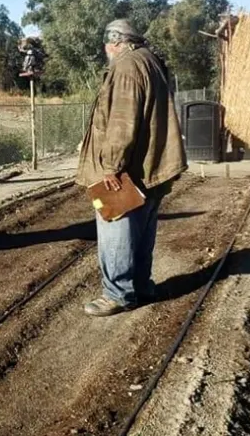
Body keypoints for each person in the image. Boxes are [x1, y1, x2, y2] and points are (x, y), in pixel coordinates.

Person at [76, 19, 187, 316]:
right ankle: (141, 287)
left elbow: (123, 121)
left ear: (115, 42)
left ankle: (117, 295)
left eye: (107, 44)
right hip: (150, 168)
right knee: (142, 232)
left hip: (126, 171)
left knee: (116, 229)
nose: (105, 49)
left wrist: (110, 165)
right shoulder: (150, 61)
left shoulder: (126, 67)